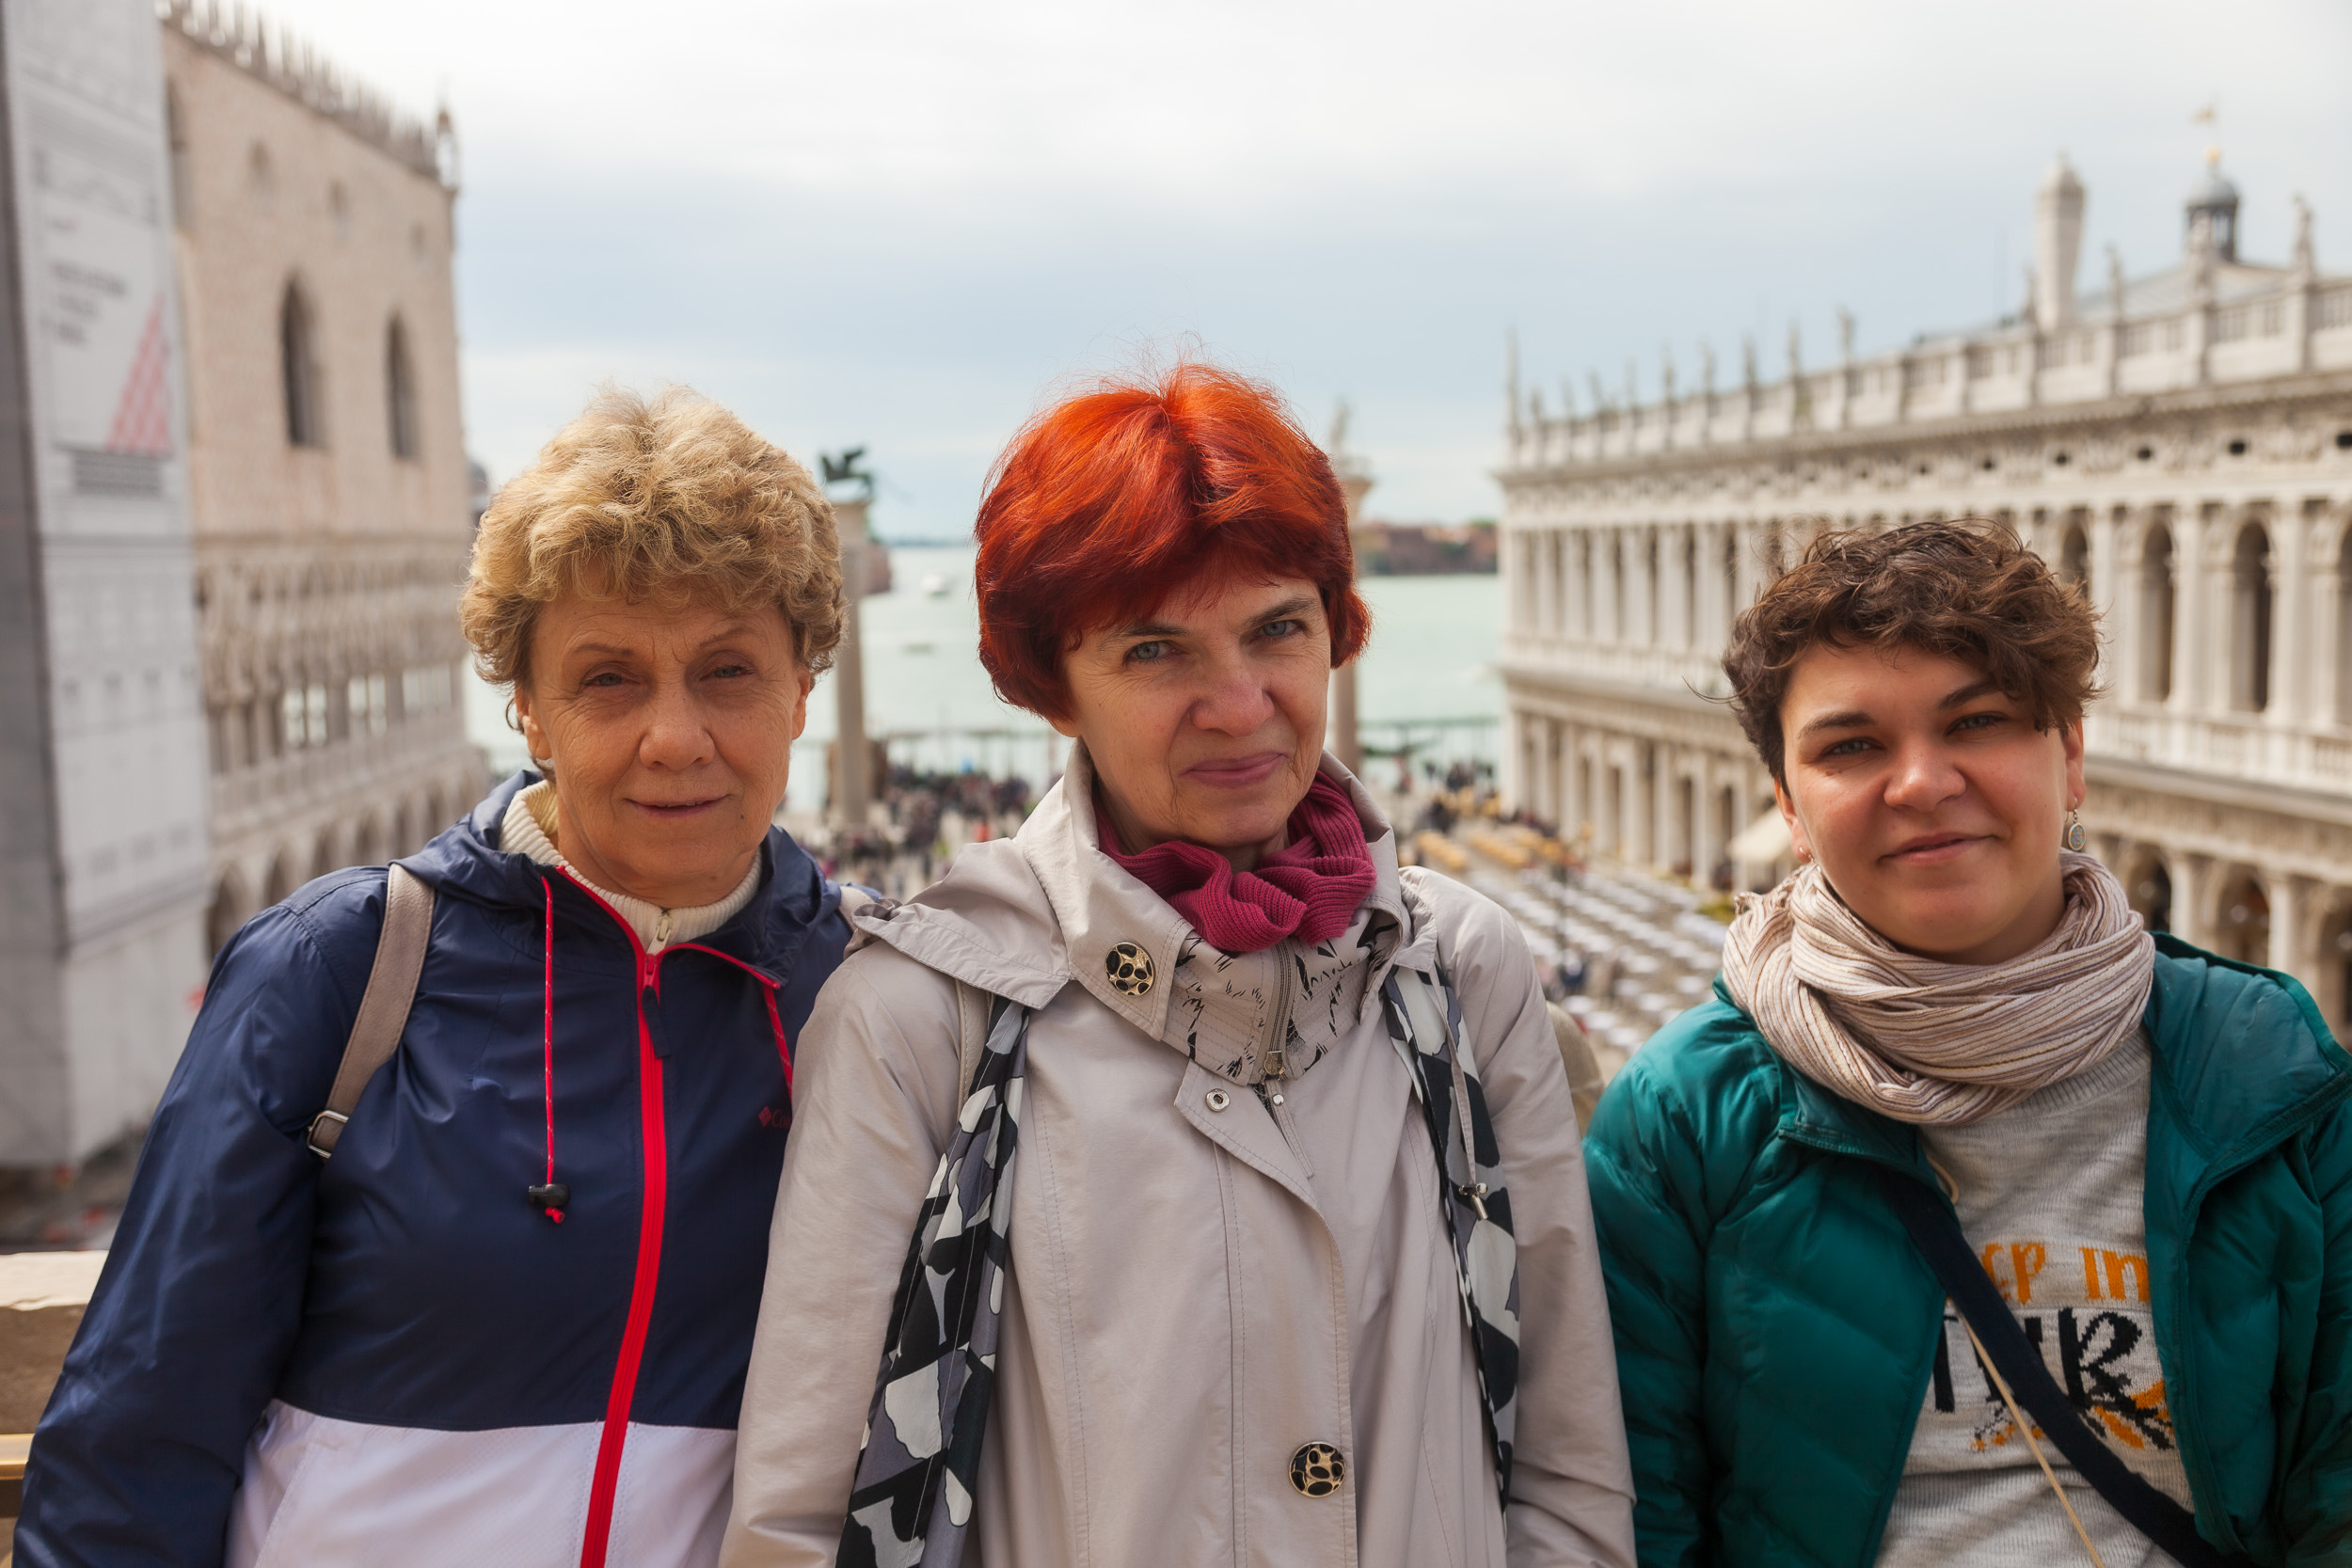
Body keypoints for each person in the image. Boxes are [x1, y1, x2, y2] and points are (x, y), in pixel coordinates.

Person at [723, 363, 1637, 1566]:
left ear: (1334, 632)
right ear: (1054, 685)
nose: (1239, 703)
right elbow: (798, 1517)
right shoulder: (923, 1017)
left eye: (1278, 629)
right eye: (1156, 649)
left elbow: (1567, 1471)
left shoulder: (1461, 968)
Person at [20, 388, 858, 1567]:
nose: (674, 736)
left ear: (800, 692)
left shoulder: (865, 993)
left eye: (727, 670)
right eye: (608, 678)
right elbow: (138, 1432)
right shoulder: (338, 967)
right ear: (529, 710)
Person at [1583, 519, 2352, 1567]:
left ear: (2069, 755)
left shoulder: (2272, 1074)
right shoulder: (1685, 1112)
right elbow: (1637, 1512)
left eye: (1977, 721)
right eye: (1850, 746)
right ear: (1790, 807)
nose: (1921, 783)